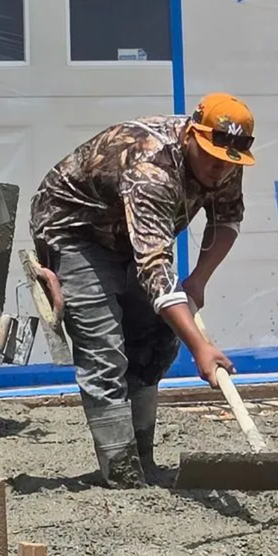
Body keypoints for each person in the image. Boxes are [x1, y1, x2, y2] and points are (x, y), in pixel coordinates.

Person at [28, 94, 252, 488]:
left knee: (155, 341)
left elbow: (227, 218)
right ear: (190, 137)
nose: (219, 169)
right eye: (211, 157)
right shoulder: (153, 169)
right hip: (76, 231)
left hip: (131, 235)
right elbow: (155, 267)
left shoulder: (226, 161)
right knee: (104, 350)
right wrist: (200, 346)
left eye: (228, 162)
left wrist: (199, 279)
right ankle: (123, 474)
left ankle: (143, 457)